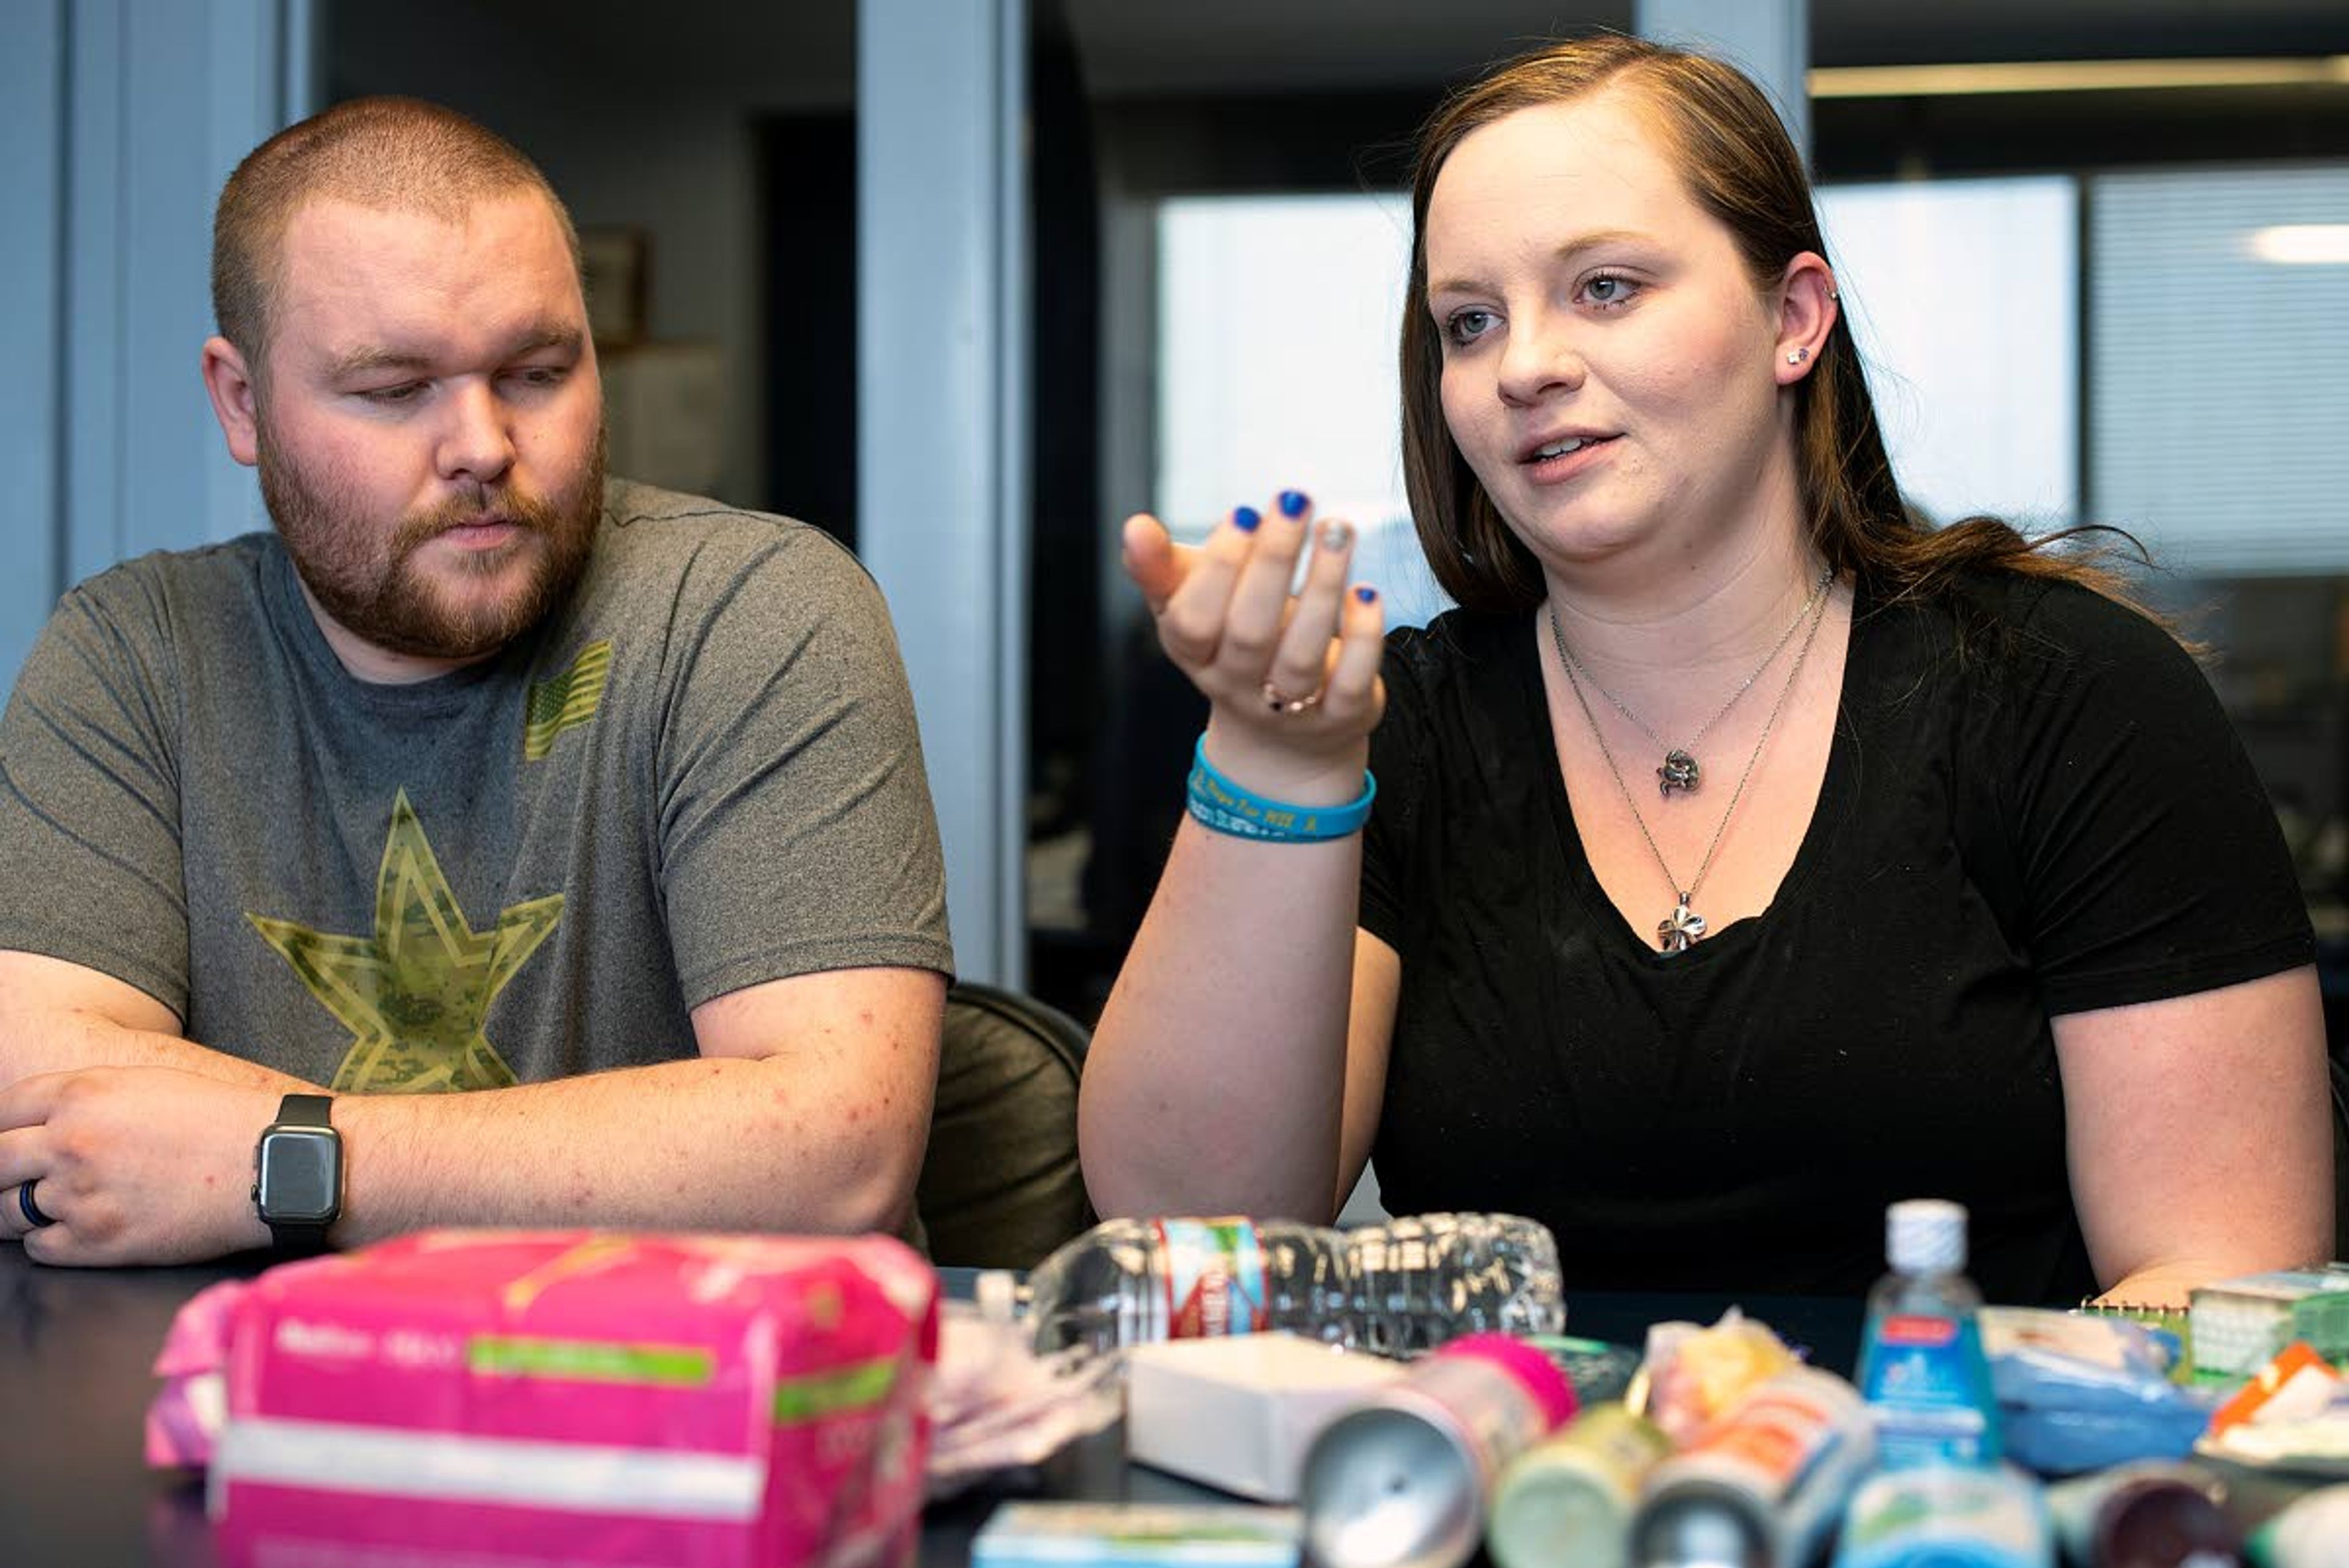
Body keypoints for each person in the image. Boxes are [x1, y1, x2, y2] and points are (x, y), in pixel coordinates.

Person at [1079, 35, 2331, 1306]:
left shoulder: (2062, 693)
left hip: (1955, 1481)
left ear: (1794, 318)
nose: (1525, 366)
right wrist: (1278, 760)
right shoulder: (1404, 731)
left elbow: (2222, 1287)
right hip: (1519, 1485)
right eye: (1471, 321)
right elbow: (1187, 1229)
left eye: (1607, 288)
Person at [0, 97, 952, 1266]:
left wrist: (282, 1160)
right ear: (242, 404)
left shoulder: (751, 610)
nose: (484, 446)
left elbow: (833, 1152)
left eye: (537, 370)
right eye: (394, 389)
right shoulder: (134, 652)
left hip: (680, 1403)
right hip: (243, 1402)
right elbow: (38, 1089)